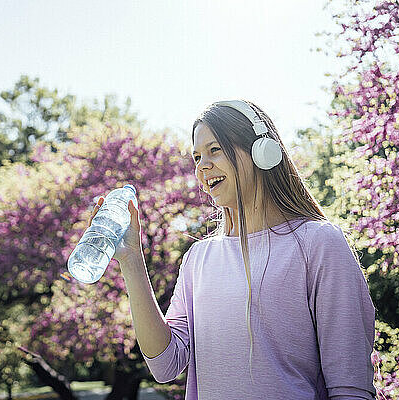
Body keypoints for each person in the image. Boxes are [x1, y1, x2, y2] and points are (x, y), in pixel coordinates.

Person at [88, 99, 377, 399]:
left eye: (215, 150)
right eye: (197, 157)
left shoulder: (319, 243)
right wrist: (132, 261)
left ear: (262, 151)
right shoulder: (197, 259)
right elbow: (165, 365)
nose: (202, 166)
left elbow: (350, 386)